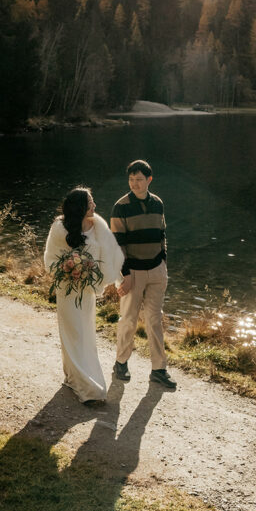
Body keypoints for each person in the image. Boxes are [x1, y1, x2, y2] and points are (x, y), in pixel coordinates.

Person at [44, 186, 124, 404]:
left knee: (86, 336)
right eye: (90, 203)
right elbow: (51, 259)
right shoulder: (59, 228)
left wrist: (118, 278)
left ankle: (73, 378)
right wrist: (67, 269)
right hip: (67, 290)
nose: (94, 206)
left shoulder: (98, 225)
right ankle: (89, 389)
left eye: (93, 202)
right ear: (79, 207)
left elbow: (110, 252)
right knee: (73, 334)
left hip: (87, 291)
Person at [110, 160, 176, 390]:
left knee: (155, 320)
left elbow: (162, 234)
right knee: (128, 320)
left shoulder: (157, 203)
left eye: (139, 179)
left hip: (157, 270)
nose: (134, 184)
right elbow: (117, 244)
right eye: (131, 179)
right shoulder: (121, 206)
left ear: (149, 180)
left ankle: (159, 369)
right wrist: (125, 274)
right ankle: (121, 363)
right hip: (133, 272)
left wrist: (163, 262)